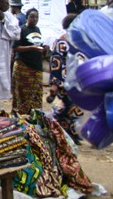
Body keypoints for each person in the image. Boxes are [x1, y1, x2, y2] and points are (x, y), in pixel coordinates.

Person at [47, 14, 83, 144]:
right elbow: (56, 63)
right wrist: (55, 84)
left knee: (76, 109)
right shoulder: (61, 42)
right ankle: (53, 128)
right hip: (65, 82)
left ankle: (72, 135)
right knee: (63, 108)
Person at [11, 8, 45, 115]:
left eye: (36, 17)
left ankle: (34, 117)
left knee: (36, 94)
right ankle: (21, 116)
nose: (34, 19)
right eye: (32, 17)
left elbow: (39, 44)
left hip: (36, 67)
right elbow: (16, 48)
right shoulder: (21, 30)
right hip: (24, 66)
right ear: (27, 18)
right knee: (23, 94)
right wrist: (32, 48)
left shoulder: (38, 29)